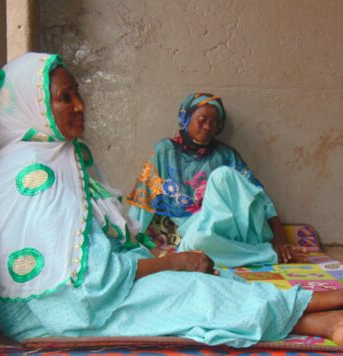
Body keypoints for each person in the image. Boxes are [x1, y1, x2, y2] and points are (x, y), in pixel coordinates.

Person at [0, 53, 343, 347]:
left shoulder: (61, 155)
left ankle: (328, 317)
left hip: (88, 291)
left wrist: (156, 254)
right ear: (34, 108)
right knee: (193, 292)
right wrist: (167, 258)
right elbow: (91, 280)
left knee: (206, 281)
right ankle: (338, 308)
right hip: (58, 311)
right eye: (65, 97)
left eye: (78, 93)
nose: (80, 105)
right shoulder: (37, 174)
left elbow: (98, 245)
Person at [126, 92, 306, 267]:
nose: (207, 127)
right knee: (193, 246)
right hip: (206, 234)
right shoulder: (165, 151)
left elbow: (257, 196)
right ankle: (266, 254)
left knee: (222, 175)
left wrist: (280, 237)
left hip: (240, 227)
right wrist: (130, 239)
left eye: (213, 123)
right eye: (202, 120)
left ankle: (258, 248)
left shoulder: (225, 155)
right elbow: (144, 199)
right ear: (186, 118)